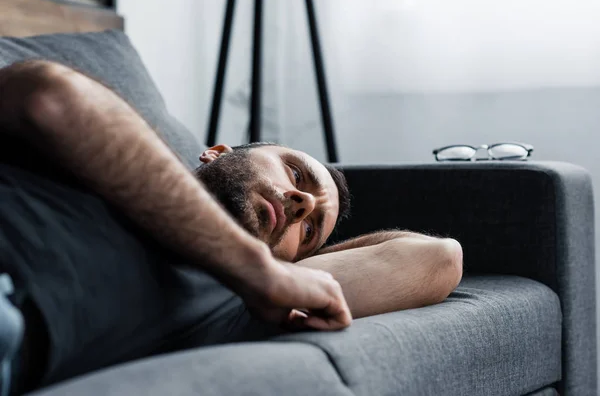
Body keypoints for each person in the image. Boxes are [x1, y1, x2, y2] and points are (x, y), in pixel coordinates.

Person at [0, 60, 463, 394]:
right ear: (216, 152)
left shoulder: (239, 297)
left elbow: (439, 259)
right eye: (296, 174)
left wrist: (270, 274)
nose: (301, 202)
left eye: (309, 230)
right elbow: (45, 94)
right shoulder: (118, 157)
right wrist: (256, 266)